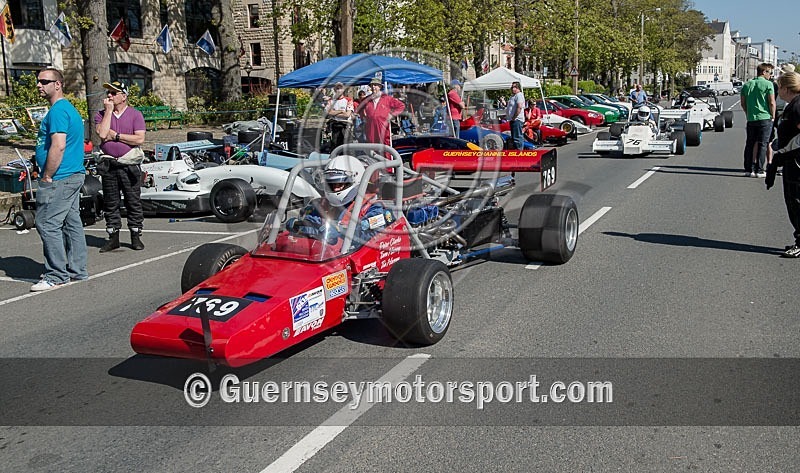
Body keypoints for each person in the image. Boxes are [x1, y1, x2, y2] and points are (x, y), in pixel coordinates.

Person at [30, 68, 88, 291]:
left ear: (58, 84)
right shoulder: (64, 109)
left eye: (44, 81)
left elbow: (59, 145)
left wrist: (47, 175)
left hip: (61, 177)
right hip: (72, 175)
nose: (39, 85)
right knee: (70, 222)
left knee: (47, 222)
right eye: (38, 81)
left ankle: (56, 274)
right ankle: (77, 270)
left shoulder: (58, 111)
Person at [285, 155, 391, 248]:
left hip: (353, 260)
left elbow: (371, 236)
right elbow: (309, 221)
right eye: (331, 184)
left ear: (355, 182)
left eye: (340, 185)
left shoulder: (372, 208)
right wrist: (297, 225)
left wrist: (341, 231)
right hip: (320, 256)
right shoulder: (321, 204)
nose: (335, 189)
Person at [94, 80, 147, 252]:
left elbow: (139, 139)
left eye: (113, 93)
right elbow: (102, 134)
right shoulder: (101, 115)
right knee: (111, 202)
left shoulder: (135, 115)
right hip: (109, 164)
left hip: (129, 165)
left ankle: (135, 235)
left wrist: (116, 136)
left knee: (133, 201)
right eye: (108, 93)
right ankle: (113, 236)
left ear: (123, 96)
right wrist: (109, 112)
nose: (109, 96)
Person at [765, 71, 800, 257]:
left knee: (796, 202)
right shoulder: (791, 106)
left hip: (796, 162)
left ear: (786, 88)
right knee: (792, 202)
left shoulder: (798, 106)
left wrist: (786, 153)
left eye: (779, 86)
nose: (778, 90)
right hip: (790, 161)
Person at [740, 63, 776, 178]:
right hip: (765, 117)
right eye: (770, 73)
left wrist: (748, 113)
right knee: (763, 144)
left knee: (750, 143)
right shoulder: (768, 84)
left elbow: (743, 103)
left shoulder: (747, 85)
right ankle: (759, 170)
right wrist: (773, 115)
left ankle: (748, 169)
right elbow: (771, 102)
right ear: (764, 72)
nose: (770, 75)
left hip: (751, 118)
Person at [357, 78, 405, 151]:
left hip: (383, 127)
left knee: (385, 147)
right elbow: (359, 108)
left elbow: (401, 106)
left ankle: (387, 161)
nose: (373, 87)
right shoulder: (367, 99)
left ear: (380, 87)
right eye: (372, 85)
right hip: (370, 128)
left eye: (375, 85)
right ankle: (374, 161)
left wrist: (392, 115)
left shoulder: (387, 98)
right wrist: (363, 117)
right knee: (372, 147)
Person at [325, 82, 354, 149]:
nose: (339, 90)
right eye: (337, 88)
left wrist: (334, 113)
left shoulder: (348, 100)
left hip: (345, 126)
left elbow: (347, 114)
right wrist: (341, 111)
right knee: (335, 146)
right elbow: (328, 112)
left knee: (347, 146)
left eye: (340, 88)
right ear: (335, 90)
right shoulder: (331, 101)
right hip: (335, 126)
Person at [506, 81, 526, 150]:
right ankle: (516, 151)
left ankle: (519, 152)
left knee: (517, 137)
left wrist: (514, 117)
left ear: (518, 88)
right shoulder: (513, 96)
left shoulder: (519, 95)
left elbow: (519, 107)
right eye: (512, 87)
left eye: (514, 87)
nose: (512, 88)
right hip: (513, 120)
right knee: (514, 137)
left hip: (517, 120)